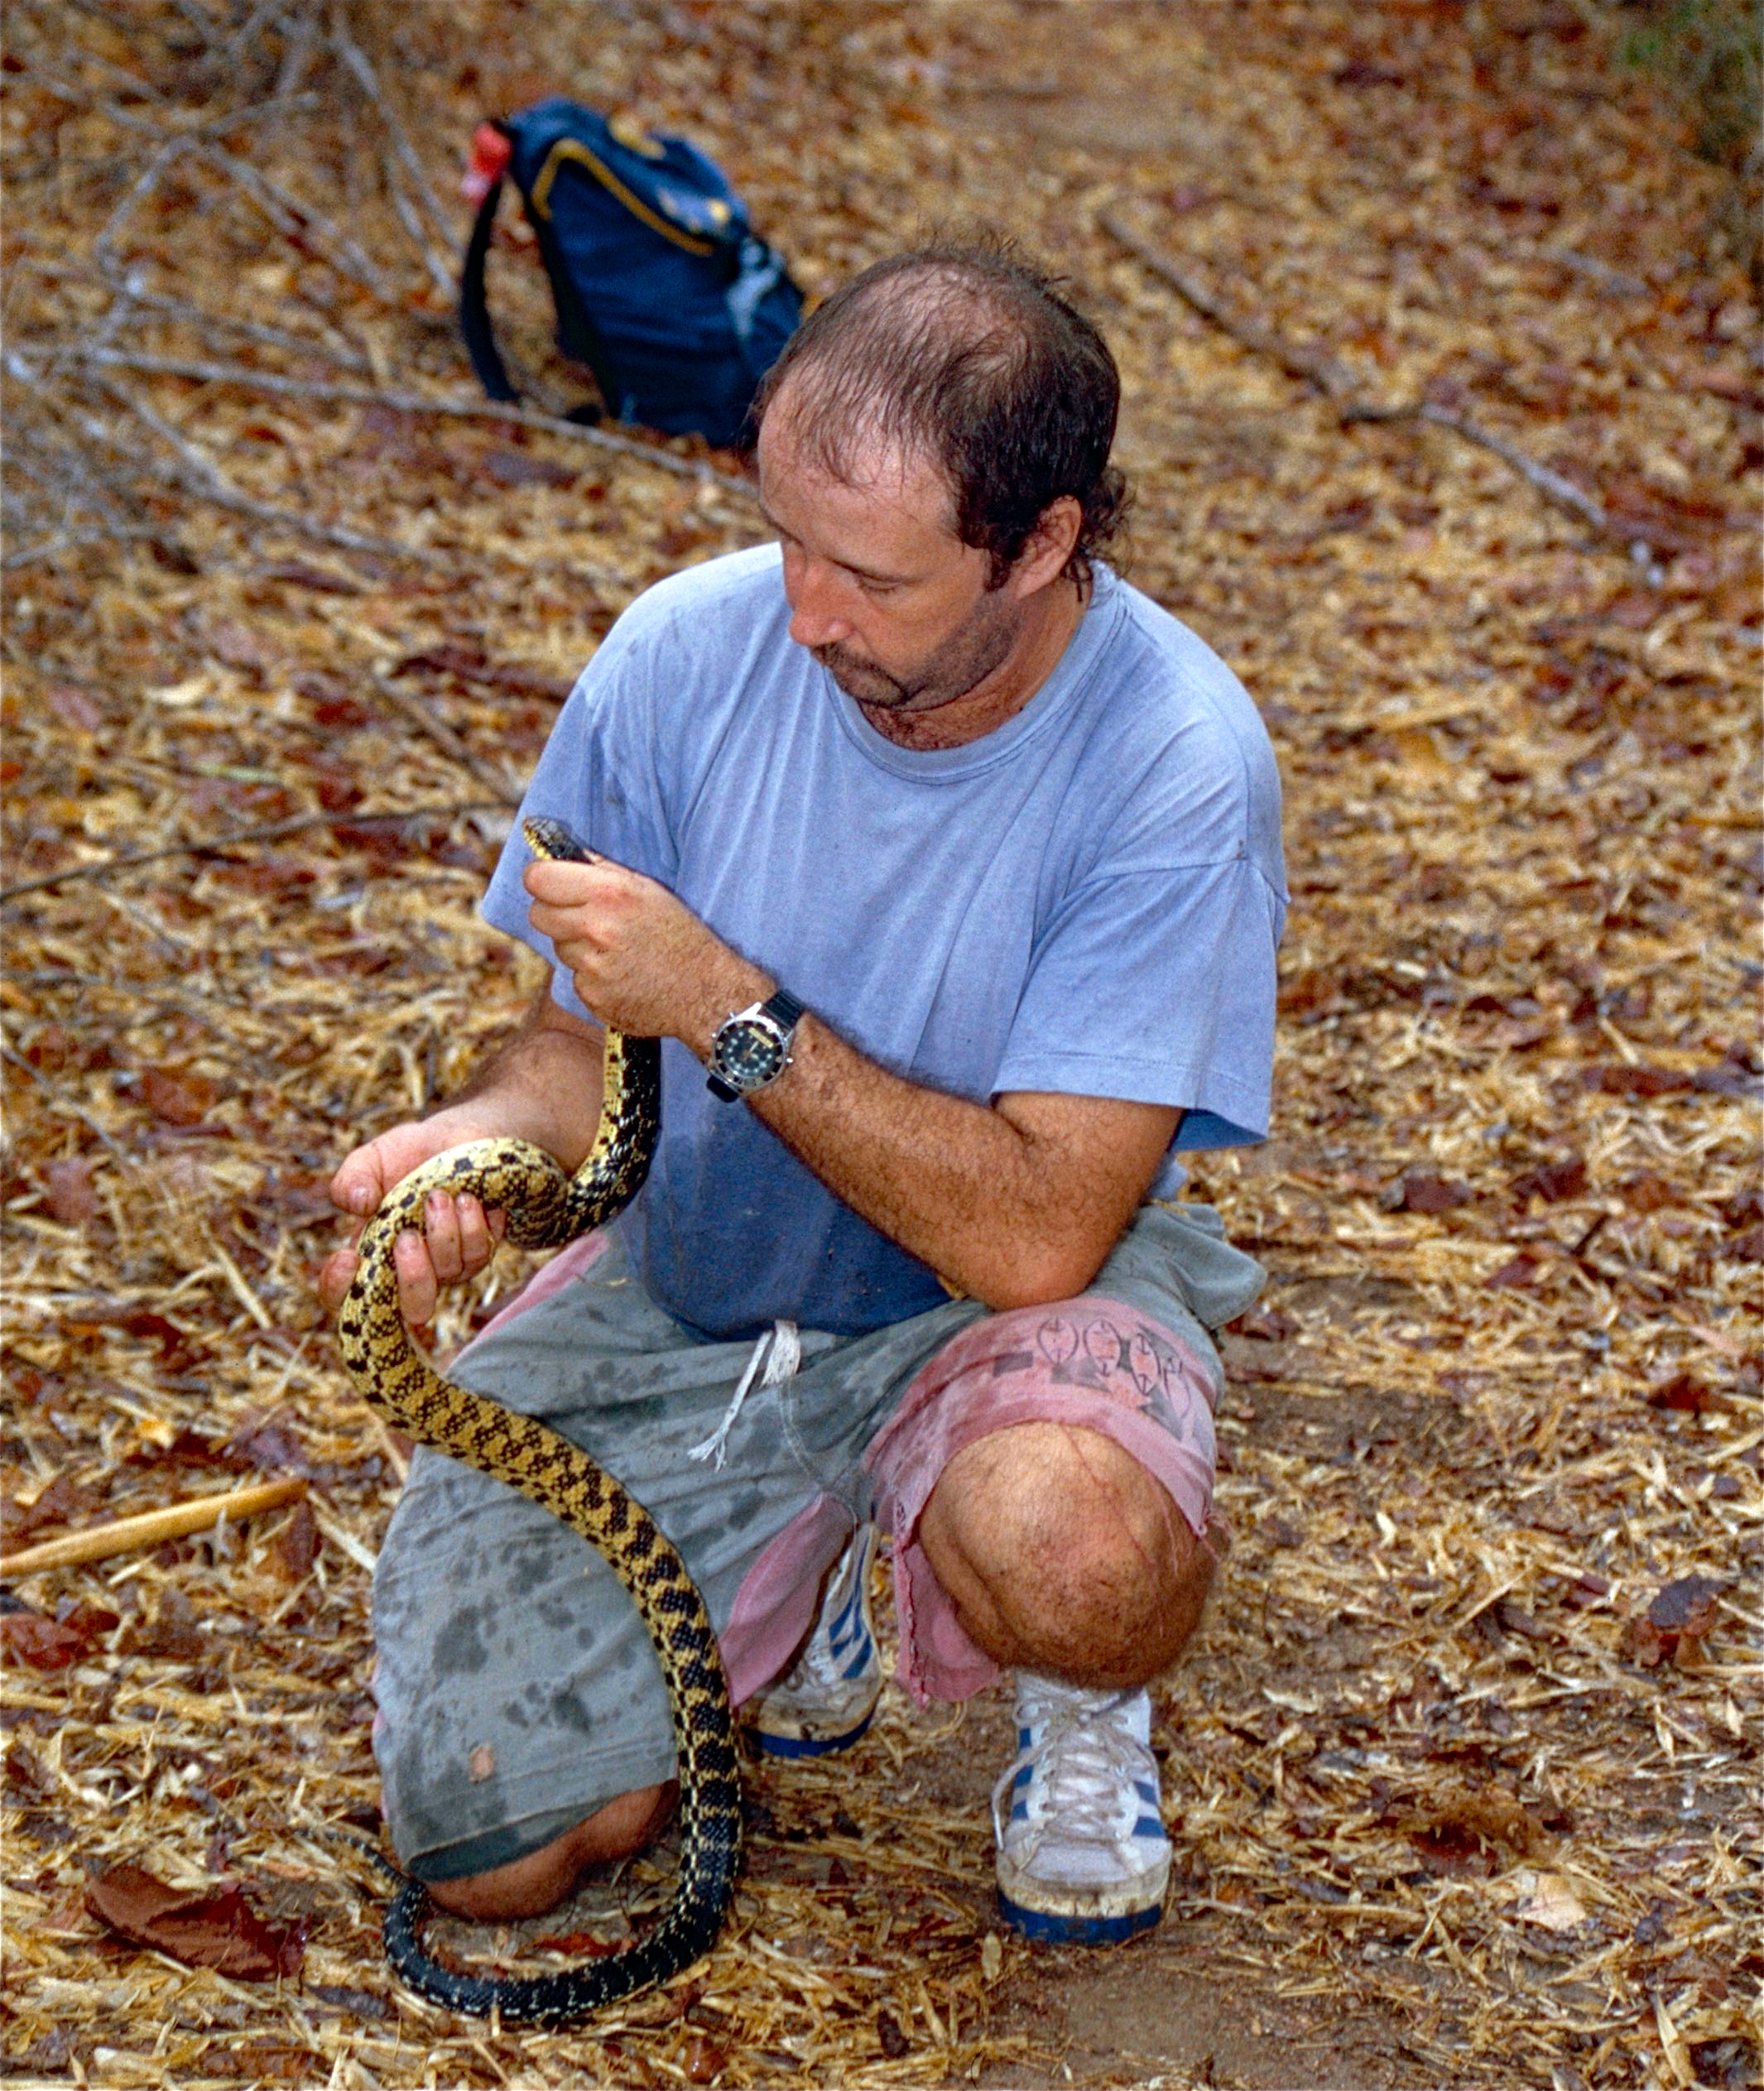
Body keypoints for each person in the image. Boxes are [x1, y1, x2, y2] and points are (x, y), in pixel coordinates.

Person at [319, 238, 1285, 1949]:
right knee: (497, 1859)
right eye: (783, 541)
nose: (804, 615)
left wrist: (727, 1003)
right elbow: (566, 1053)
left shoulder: (1173, 760)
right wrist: (474, 1148)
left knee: (1077, 1559)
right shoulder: (678, 660)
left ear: (1042, 545)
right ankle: (810, 1552)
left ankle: (1064, 1696)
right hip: (706, 1283)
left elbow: (1044, 1228)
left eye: (871, 577)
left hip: (1000, 1296)